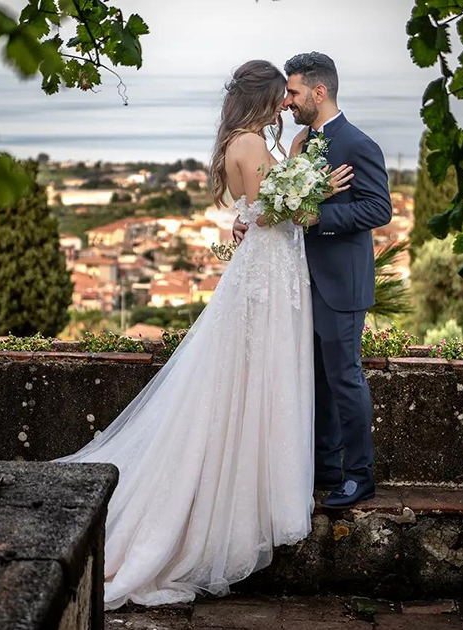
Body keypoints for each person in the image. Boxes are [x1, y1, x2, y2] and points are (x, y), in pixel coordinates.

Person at [55, 59, 354, 610]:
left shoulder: (245, 142)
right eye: (280, 96)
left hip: (268, 268)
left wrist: (283, 187)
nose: (287, 104)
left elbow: (257, 211)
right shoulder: (250, 144)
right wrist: (320, 190)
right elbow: (276, 212)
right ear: (263, 99)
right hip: (267, 272)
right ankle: (241, 505)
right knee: (254, 377)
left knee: (254, 378)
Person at [235, 52, 393, 509]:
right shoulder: (302, 142)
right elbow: (273, 204)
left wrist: (315, 216)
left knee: (344, 378)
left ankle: (359, 477)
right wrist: (249, 220)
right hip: (299, 279)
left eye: (294, 92)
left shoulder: (358, 144)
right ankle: (325, 466)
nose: (287, 101)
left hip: (341, 283)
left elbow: (378, 210)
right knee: (316, 378)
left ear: (318, 93)